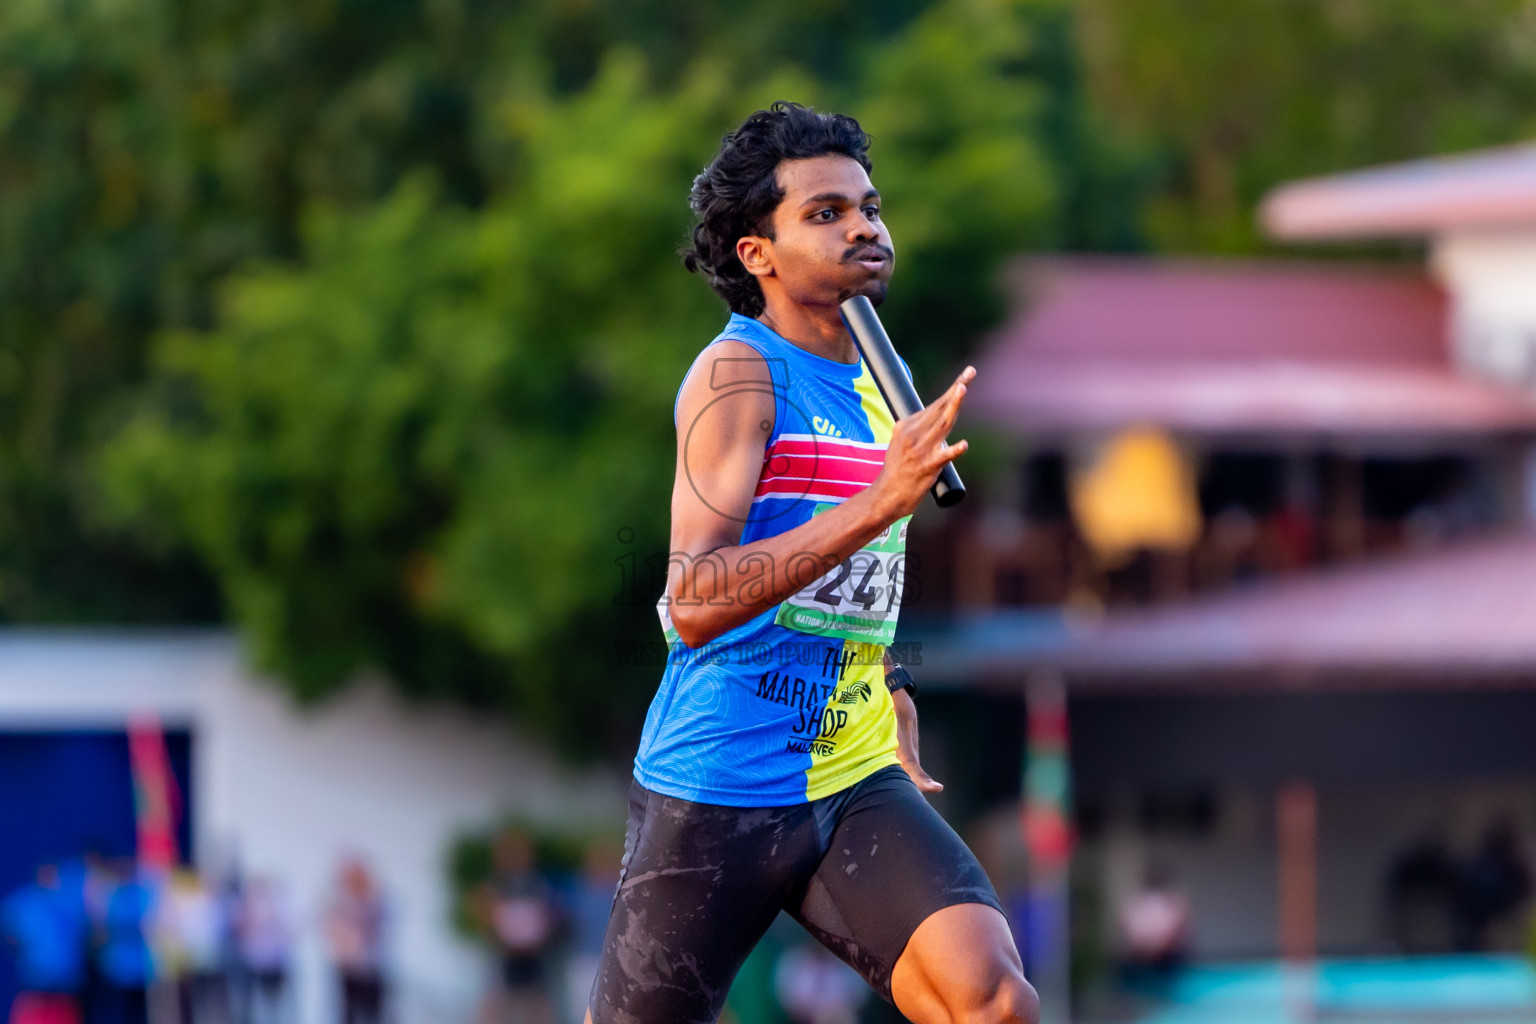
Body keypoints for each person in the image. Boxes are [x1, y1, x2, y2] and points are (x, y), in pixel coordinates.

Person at [585, 102, 1037, 1024]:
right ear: (759, 254)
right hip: (718, 782)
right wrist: (880, 499)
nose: (864, 225)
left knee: (990, 1001)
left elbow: (860, 574)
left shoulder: (882, 374)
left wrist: (892, 679)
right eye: (825, 213)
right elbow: (695, 598)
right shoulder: (737, 377)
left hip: (848, 769)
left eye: (869, 205)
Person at [1, 863, 87, 1024]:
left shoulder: (71, 901)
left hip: (67, 983)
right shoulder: (25, 901)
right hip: (35, 981)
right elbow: (7, 925)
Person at [322, 858, 386, 1024]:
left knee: (370, 1010)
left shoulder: (373, 902)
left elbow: (378, 933)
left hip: (369, 966)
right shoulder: (342, 902)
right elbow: (332, 929)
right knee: (347, 1009)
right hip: (347, 965)